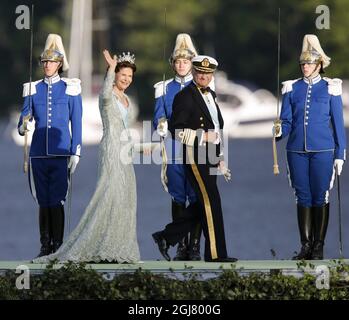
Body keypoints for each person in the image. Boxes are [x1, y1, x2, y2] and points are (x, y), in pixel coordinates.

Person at [33, 50, 141, 263]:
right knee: (107, 195)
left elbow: (125, 130)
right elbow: (106, 96)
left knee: (124, 199)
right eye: (123, 75)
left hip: (125, 154)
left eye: (130, 76)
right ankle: (92, 245)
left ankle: (117, 247)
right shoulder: (107, 95)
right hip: (110, 151)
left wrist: (143, 148)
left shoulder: (126, 98)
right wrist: (110, 69)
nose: (126, 80)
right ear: (115, 76)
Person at [152, 55, 237, 263]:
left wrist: (220, 157)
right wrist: (201, 136)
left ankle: (166, 237)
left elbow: (217, 128)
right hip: (195, 154)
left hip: (210, 155)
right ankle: (216, 255)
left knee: (204, 203)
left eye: (208, 73)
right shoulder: (185, 96)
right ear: (193, 72)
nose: (204, 76)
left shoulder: (211, 95)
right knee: (211, 202)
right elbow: (176, 129)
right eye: (200, 72)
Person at [274, 34, 346, 260]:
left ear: (319, 65)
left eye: (309, 63)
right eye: (303, 64)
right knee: (302, 196)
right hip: (296, 150)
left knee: (320, 196)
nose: (305, 67)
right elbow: (286, 121)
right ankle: (305, 245)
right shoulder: (291, 88)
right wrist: (278, 132)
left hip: (324, 151)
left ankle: (319, 246)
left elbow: (337, 124)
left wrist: (340, 154)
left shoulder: (331, 88)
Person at [18, 34, 82, 257]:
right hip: (38, 153)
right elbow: (23, 118)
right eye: (45, 62)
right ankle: (45, 246)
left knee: (57, 200)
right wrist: (23, 125)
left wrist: (76, 151)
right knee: (43, 201)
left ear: (60, 64)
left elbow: (77, 122)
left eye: (52, 62)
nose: (48, 66)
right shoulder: (33, 89)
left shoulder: (71, 89)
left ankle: (58, 246)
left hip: (61, 151)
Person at [153, 33, 202, 261]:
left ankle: (194, 246)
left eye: (186, 61)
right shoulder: (163, 88)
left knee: (198, 197)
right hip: (173, 147)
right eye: (178, 61)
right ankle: (181, 245)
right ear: (173, 64)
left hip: (197, 147)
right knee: (177, 197)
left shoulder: (202, 86)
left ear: (192, 63)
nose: (182, 65)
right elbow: (158, 115)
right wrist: (161, 122)